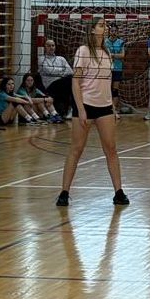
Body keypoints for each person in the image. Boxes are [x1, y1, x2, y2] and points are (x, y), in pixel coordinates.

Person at [56, 19, 129, 208]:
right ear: (92, 30)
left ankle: (119, 192)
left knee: (111, 148)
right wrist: (80, 109)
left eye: (105, 25)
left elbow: (107, 84)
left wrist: (112, 108)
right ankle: (64, 192)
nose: (106, 28)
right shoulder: (83, 51)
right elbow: (76, 82)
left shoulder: (107, 53)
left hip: (105, 107)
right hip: (86, 106)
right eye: (101, 25)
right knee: (76, 149)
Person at [39, 39, 74, 116]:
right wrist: (62, 70)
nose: (51, 47)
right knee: (68, 81)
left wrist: (56, 72)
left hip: (63, 82)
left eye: (53, 45)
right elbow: (49, 71)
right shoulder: (42, 59)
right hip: (51, 85)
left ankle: (69, 109)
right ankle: (69, 109)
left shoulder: (61, 58)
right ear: (45, 47)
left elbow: (70, 71)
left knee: (72, 80)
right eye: (48, 46)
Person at [105, 24, 126, 114]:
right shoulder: (105, 42)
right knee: (107, 89)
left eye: (115, 31)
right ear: (109, 32)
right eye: (112, 31)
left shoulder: (121, 42)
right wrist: (114, 56)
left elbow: (122, 55)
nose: (113, 33)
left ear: (117, 32)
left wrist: (112, 55)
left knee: (115, 90)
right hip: (107, 68)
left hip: (117, 68)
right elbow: (104, 55)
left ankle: (114, 110)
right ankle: (106, 109)